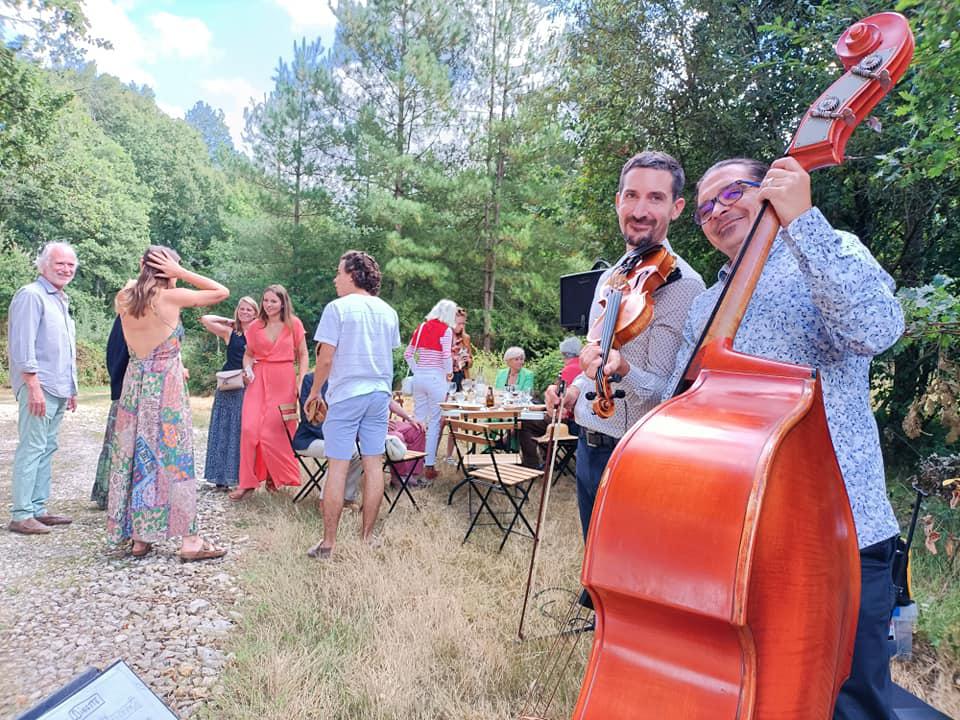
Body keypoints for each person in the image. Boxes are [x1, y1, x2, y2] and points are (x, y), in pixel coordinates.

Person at [667, 156, 904, 720]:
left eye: (732, 193)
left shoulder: (826, 248)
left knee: (850, 698)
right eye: (704, 208)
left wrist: (803, 222)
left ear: (770, 188)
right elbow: (683, 410)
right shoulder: (706, 306)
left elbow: (877, 328)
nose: (717, 211)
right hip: (737, 530)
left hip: (835, 529)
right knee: (754, 689)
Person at [545, 150, 705, 539]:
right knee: (595, 566)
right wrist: (576, 390)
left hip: (633, 454)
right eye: (631, 196)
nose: (640, 210)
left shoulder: (684, 286)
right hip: (588, 444)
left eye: (655, 198)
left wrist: (624, 370)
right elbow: (595, 360)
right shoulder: (611, 277)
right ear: (618, 201)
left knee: (626, 573)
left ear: (677, 207)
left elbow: (667, 394)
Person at [107, 246, 229, 560]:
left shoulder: (125, 296)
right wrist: (182, 275)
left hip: (136, 385)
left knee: (137, 457)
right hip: (166, 390)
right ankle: (190, 541)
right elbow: (220, 292)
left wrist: (152, 271)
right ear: (169, 270)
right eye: (175, 267)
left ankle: (139, 537)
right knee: (174, 459)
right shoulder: (170, 298)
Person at [305, 250, 400, 558]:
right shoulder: (388, 311)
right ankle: (367, 538)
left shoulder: (337, 308)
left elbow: (326, 358)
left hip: (347, 394)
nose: (335, 279)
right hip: (379, 394)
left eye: (338, 272)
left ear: (353, 275)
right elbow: (388, 354)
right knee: (374, 465)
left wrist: (315, 392)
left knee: (338, 466)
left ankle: (329, 544)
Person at [7, 242, 79, 535]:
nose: (66, 269)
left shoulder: (60, 299)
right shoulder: (31, 296)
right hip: (39, 386)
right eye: (59, 263)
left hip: (59, 387)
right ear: (43, 265)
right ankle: (21, 514)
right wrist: (32, 384)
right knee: (32, 447)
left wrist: (72, 388)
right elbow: (22, 345)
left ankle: (37, 508)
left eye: (70, 265)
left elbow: (64, 349)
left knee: (47, 448)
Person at [230, 285, 310, 500]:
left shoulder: (294, 324)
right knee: (249, 429)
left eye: (273, 301)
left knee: (275, 431)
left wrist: (302, 379)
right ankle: (247, 482)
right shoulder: (255, 326)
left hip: (284, 379)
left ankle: (275, 478)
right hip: (258, 379)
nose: (268, 305)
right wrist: (247, 370)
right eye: (265, 300)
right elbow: (248, 354)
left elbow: (303, 354)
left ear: (283, 302)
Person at [199, 297, 259, 489]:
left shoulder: (261, 333)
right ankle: (220, 478)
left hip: (250, 385)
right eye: (242, 309)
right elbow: (206, 319)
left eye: (249, 309)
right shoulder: (230, 332)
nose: (245, 312)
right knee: (223, 429)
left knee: (242, 430)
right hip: (229, 385)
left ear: (256, 312)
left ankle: (240, 477)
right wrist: (230, 321)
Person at [403, 299, 457, 483]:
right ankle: (429, 465)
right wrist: (449, 373)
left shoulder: (422, 327)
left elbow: (408, 354)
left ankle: (412, 463)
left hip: (419, 378)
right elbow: (446, 355)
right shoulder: (446, 330)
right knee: (434, 423)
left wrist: (418, 368)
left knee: (418, 420)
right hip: (436, 379)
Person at [517, 336, 583, 468]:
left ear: (564, 353)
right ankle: (548, 460)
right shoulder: (584, 367)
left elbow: (558, 401)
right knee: (539, 421)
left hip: (568, 423)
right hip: (581, 422)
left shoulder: (568, 370)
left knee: (524, 424)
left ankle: (532, 464)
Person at [91, 315, 130, 510]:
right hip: (127, 388)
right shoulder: (128, 313)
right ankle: (111, 493)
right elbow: (115, 352)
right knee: (119, 443)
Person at [450, 307, 473, 391]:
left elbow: (471, 362)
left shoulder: (466, 338)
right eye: (459, 323)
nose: (462, 326)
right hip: (447, 377)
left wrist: (467, 361)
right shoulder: (444, 337)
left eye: (463, 323)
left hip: (462, 377)